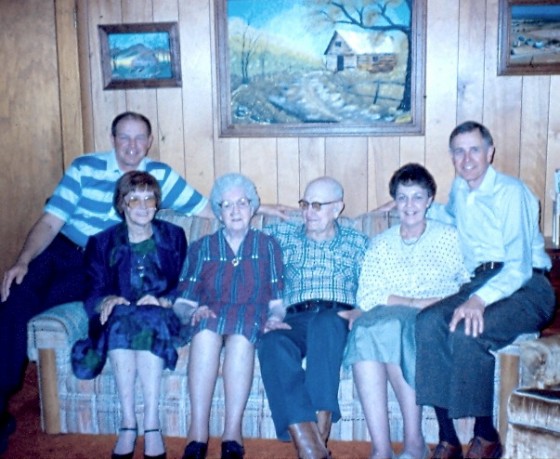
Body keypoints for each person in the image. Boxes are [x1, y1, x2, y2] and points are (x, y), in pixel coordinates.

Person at [0, 111, 212, 454]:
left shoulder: (157, 177)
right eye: (124, 137)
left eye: (140, 138)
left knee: (108, 311)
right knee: (14, 303)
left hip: (97, 267)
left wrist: (265, 209)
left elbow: (208, 209)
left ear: (150, 141)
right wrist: (23, 260)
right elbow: (51, 221)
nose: (132, 146)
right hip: (62, 252)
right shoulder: (85, 168)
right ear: (113, 139)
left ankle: (141, 424)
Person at [415, 121, 556, 459]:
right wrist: (411, 206)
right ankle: (448, 439)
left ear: (489, 152)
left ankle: (485, 434)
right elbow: (451, 216)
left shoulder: (511, 192)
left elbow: (519, 267)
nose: (467, 158)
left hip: (527, 287)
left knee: (469, 330)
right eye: (459, 151)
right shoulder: (461, 189)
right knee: (427, 323)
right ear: (452, 156)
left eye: (474, 149)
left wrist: (478, 301)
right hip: (480, 280)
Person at [343, 164, 470, 459]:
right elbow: (368, 295)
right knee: (365, 329)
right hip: (389, 316)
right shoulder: (382, 244)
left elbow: (466, 285)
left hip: (432, 317)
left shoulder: (449, 238)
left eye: (417, 197)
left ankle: (413, 442)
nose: (409, 205)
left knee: (389, 328)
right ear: (394, 203)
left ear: (429, 201)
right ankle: (382, 448)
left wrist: (421, 304)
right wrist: (411, 302)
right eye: (402, 198)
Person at [71, 171, 186, 459]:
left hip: (162, 316)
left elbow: (188, 283)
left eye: (150, 198)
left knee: (149, 316)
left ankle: (151, 424)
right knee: (121, 316)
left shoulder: (174, 236)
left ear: (157, 203)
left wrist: (164, 300)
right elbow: (92, 290)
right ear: (122, 204)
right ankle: (128, 421)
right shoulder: (102, 242)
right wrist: (106, 300)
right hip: (118, 318)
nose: (143, 206)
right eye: (134, 199)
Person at [257, 176, 369, 459]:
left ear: (338, 208)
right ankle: (312, 447)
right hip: (295, 316)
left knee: (326, 323)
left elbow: (376, 284)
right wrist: (262, 208)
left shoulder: (358, 242)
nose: (308, 212)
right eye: (305, 204)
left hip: (338, 315)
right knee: (271, 342)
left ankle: (317, 435)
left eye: (318, 205)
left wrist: (362, 309)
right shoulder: (282, 236)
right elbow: (231, 216)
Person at [174, 173, 284, 459]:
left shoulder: (267, 245)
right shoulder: (201, 247)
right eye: (227, 205)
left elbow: (276, 298)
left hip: (251, 313)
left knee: (241, 340)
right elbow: (182, 301)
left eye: (242, 203)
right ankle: (197, 432)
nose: (235, 210)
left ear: (253, 207)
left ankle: (232, 432)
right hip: (210, 312)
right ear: (218, 212)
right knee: (206, 333)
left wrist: (275, 318)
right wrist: (192, 310)